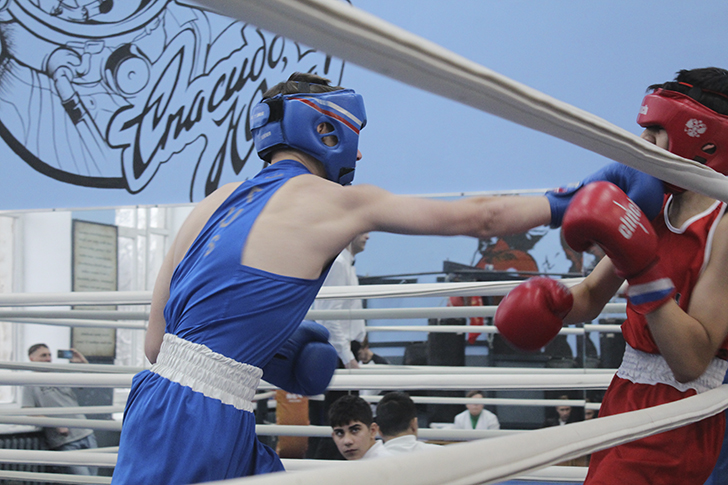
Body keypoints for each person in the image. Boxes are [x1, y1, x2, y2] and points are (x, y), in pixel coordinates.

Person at [112, 70, 580, 484]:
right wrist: (570, 201)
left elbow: (156, 345)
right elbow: (483, 217)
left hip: (155, 402)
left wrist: (258, 345)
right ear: (327, 129)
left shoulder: (214, 201)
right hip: (202, 417)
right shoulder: (337, 202)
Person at [495, 67, 728, 484]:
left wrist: (643, 270)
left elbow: (691, 361)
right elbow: (589, 295)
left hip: (681, 411)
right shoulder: (652, 204)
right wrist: (551, 303)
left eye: (656, 131)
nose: (642, 143)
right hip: (625, 392)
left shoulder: (723, 226)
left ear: (705, 140)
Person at [22, 344, 98, 476]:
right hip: (65, 441)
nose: (48, 359)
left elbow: (91, 381)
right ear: (31, 358)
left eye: (49, 355)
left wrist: (82, 362)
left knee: (94, 480)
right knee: (84, 480)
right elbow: (29, 411)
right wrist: (55, 424)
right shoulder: (29, 383)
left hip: (86, 433)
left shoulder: (60, 374)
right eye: (43, 355)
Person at [312, 232, 370, 370]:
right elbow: (329, 317)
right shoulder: (338, 264)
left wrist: (361, 346)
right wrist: (347, 357)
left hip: (346, 348)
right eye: (364, 231)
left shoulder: (347, 264)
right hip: (339, 350)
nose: (368, 237)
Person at [329, 394, 391, 460]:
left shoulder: (387, 463)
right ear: (333, 437)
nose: (347, 441)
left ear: (372, 431)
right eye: (339, 433)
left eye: (355, 430)